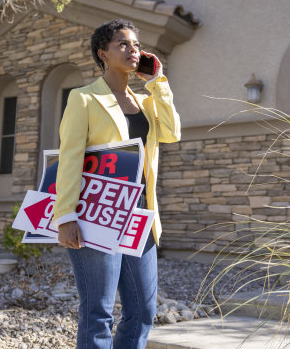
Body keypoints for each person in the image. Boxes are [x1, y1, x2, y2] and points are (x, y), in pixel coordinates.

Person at [52, 19, 181, 349]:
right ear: (103, 54)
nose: (133, 50)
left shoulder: (145, 102)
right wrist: (65, 216)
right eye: (123, 44)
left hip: (140, 213)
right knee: (98, 312)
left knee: (143, 310)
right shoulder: (83, 99)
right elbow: (69, 159)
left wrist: (157, 81)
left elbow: (171, 133)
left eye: (136, 45)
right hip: (97, 211)